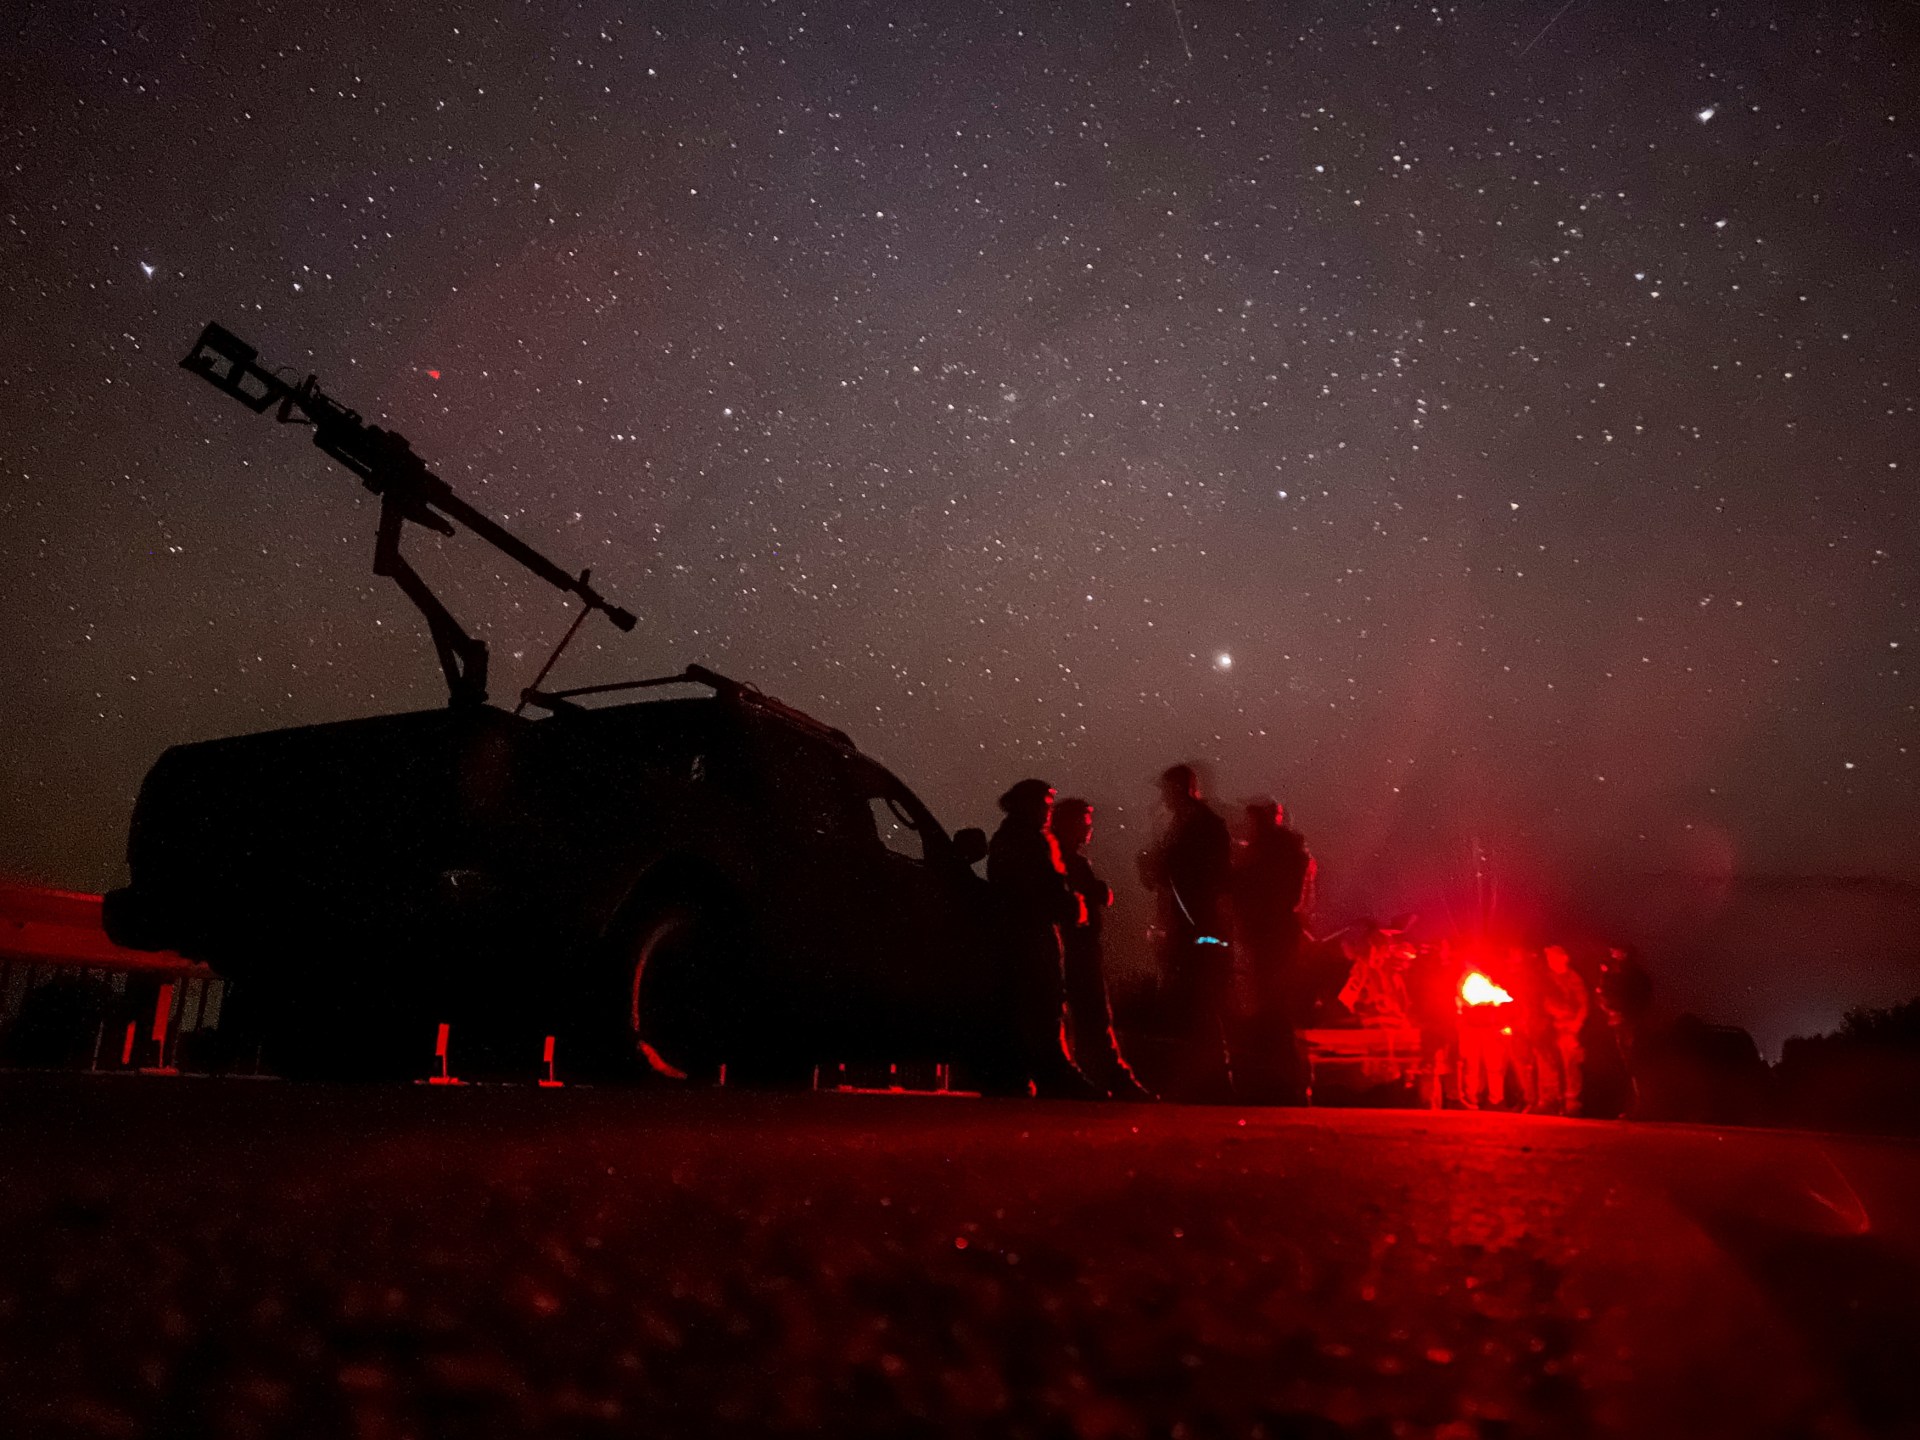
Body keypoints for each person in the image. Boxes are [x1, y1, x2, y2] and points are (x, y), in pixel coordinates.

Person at [986, 779, 1102, 1099]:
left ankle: (1020, 1075)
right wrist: (1071, 906)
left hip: (1025, 933)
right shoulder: (1027, 841)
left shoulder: (1014, 838)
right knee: (1042, 1003)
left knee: (1029, 1004)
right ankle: (1053, 1073)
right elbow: (1038, 888)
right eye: (1044, 805)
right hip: (1031, 935)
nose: (1047, 812)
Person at [1137, 763, 1235, 1097]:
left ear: (1180, 789)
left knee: (1199, 998)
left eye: (1167, 790)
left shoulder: (1202, 826)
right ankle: (1201, 1078)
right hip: (1184, 923)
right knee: (1190, 998)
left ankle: (1210, 1079)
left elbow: (1206, 876)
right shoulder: (1186, 824)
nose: (1163, 797)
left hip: (1196, 925)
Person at [1050, 798, 1153, 1100]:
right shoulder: (1068, 861)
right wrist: (1097, 891)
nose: (1089, 829)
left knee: (1082, 1014)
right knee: (1092, 1014)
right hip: (1078, 950)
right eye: (1083, 822)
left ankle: (1094, 1076)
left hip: (1075, 948)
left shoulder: (1061, 858)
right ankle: (1108, 1076)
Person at [1231, 799, 1315, 1100]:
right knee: (1278, 1007)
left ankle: (1282, 1080)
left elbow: (1254, 890)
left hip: (1270, 936)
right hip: (1280, 935)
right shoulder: (1293, 853)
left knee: (1273, 1007)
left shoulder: (1269, 855)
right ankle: (1291, 1080)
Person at [1540, 944, 1590, 1115]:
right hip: (1552, 1028)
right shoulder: (1547, 978)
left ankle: (1572, 1102)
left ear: (1564, 958)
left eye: (1553, 957)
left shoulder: (1573, 978)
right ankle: (1553, 1100)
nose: (1550, 960)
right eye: (1548, 957)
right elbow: (1544, 1001)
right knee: (1551, 1065)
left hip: (1569, 1028)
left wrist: (1576, 1026)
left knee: (1570, 1066)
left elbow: (1583, 1005)